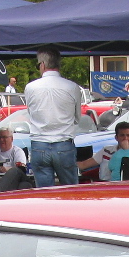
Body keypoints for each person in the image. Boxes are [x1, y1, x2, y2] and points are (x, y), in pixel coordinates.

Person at [23, 48, 84, 187]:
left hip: (39, 143)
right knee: (71, 191)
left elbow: (30, 113)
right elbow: (77, 118)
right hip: (64, 142)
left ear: (43, 64)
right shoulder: (73, 87)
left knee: (45, 194)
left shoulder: (30, 88)